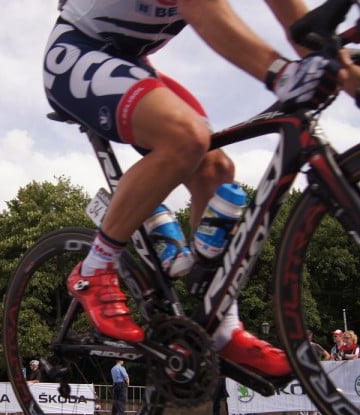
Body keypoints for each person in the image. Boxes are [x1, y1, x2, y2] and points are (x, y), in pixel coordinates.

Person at [44, 0, 359, 379]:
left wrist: (343, 70)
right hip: (76, 51)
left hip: (131, 62)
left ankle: (223, 329)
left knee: (216, 168)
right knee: (187, 139)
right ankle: (94, 269)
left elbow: (300, 23)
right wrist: (282, 74)